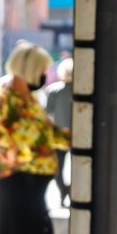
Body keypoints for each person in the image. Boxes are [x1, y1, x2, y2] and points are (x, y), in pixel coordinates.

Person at [0, 41, 70, 234]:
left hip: (32, 187)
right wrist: (12, 151)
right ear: (29, 69)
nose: (44, 76)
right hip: (16, 184)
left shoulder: (30, 101)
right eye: (42, 70)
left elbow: (47, 134)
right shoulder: (6, 97)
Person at [44, 57, 74, 207]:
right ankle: (71, 191)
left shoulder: (53, 90)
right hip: (79, 136)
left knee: (57, 169)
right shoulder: (83, 91)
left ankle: (64, 192)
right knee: (80, 167)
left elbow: (47, 112)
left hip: (58, 136)